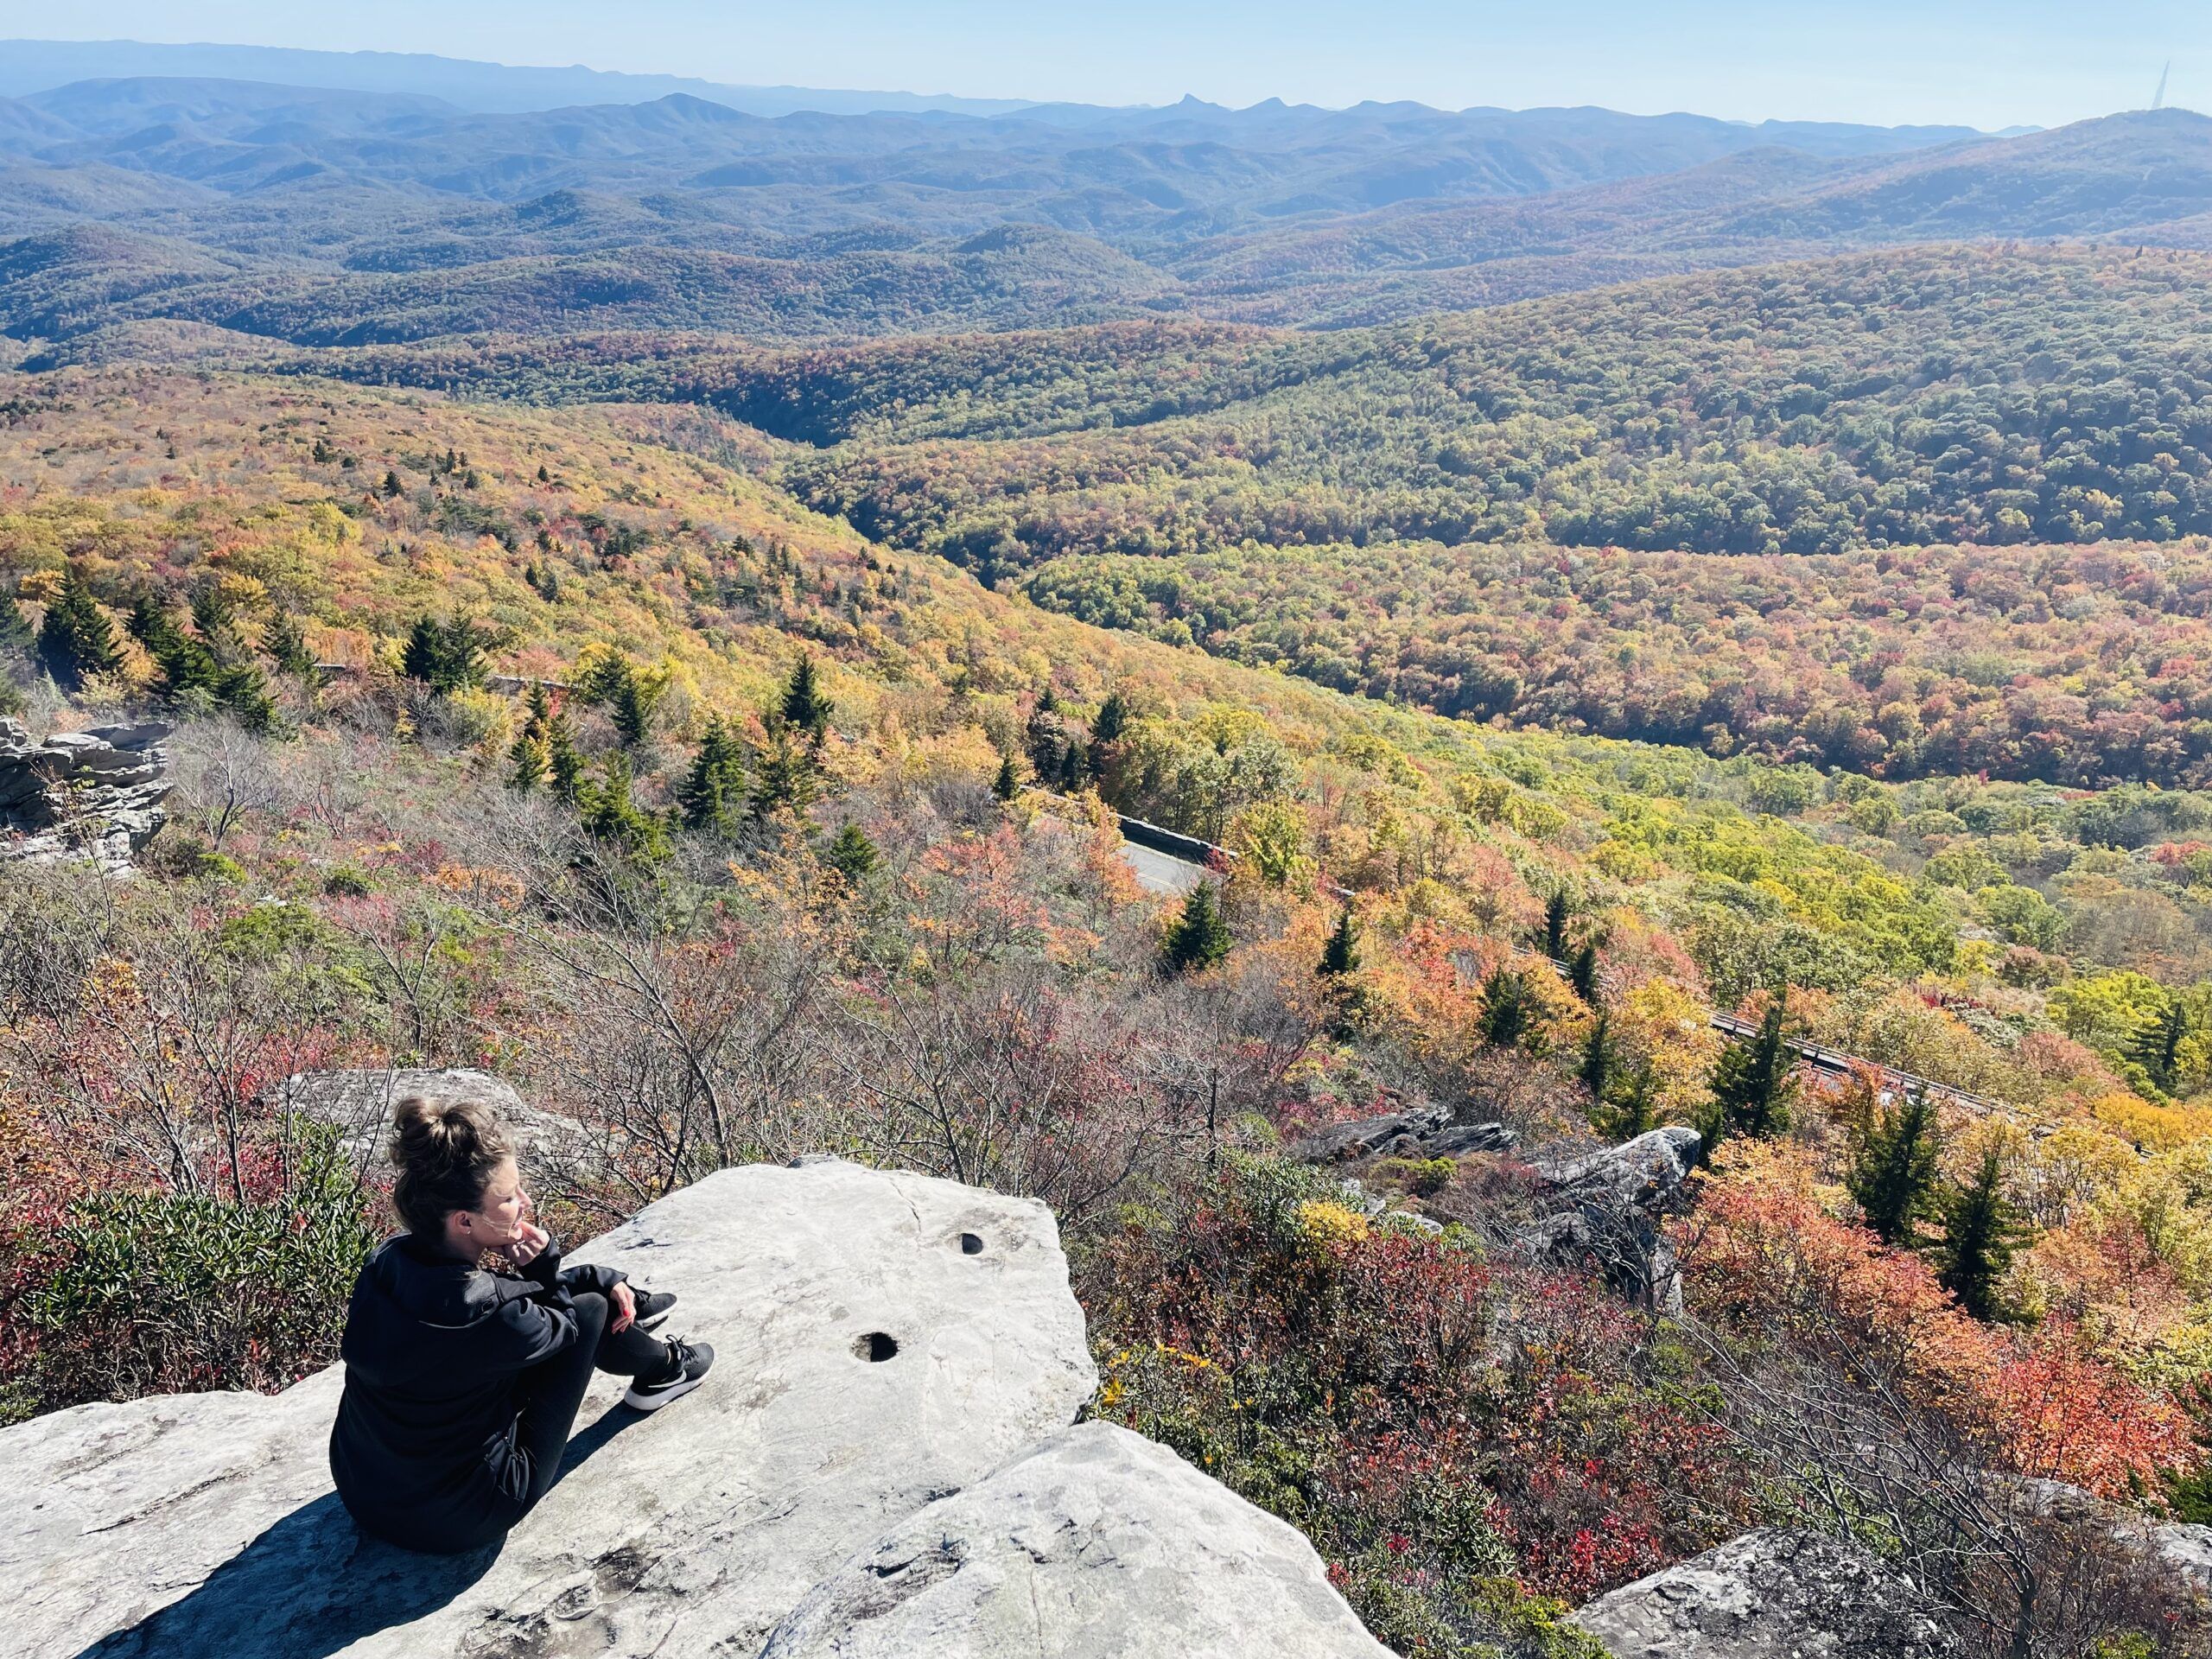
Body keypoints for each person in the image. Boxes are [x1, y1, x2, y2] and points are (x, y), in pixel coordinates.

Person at [329, 1096, 714, 1554]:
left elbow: (494, 1303)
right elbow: (568, 1323)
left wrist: (595, 1275)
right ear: (464, 1220)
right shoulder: (495, 1314)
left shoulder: (384, 1264)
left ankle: (632, 1311)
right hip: (465, 1517)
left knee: (584, 1297)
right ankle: (664, 1369)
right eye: (509, 1198)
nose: (525, 1203)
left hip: (363, 1490)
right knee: (592, 1310)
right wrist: (548, 1269)